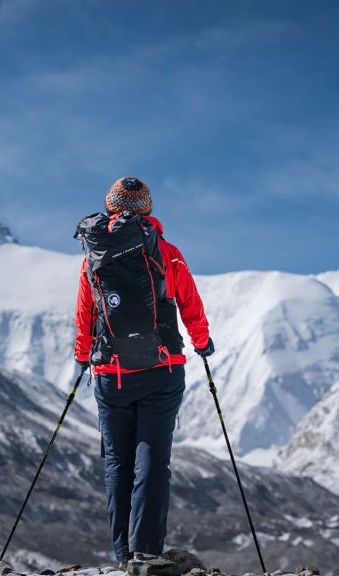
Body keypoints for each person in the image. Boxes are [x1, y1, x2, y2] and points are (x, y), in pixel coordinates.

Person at [73, 176, 213, 565]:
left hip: (110, 374)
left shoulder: (93, 256)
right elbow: (189, 302)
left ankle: (121, 555)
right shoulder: (167, 253)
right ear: (147, 210)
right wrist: (202, 342)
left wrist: (83, 355)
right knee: (152, 459)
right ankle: (145, 553)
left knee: (117, 462)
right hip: (161, 370)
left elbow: (85, 313)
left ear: (111, 207)